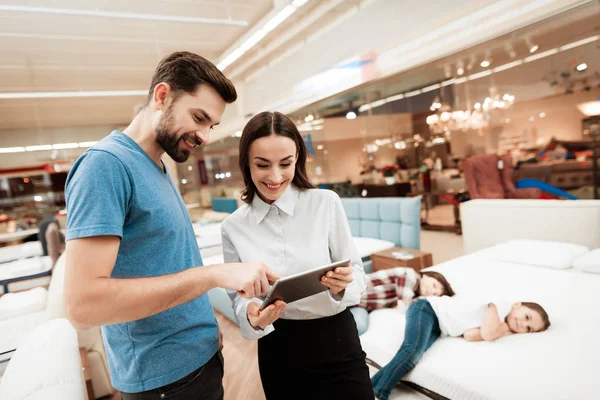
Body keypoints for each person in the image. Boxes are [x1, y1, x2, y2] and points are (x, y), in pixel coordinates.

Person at [64, 52, 281, 400]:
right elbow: (83, 305)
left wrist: (204, 331)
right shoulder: (105, 167)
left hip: (198, 362)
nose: (205, 136)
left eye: (212, 125)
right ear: (162, 96)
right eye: (199, 117)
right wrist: (214, 275)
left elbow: (167, 264)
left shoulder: (159, 169)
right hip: (162, 382)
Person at [221, 111, 374, 399]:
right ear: (246, 163)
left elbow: (357, 275)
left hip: (336, 338)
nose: (275, 177)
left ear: (298, 160)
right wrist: (254, 318)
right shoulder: (233, 227)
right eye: (262, 165)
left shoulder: (325, 204)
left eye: (286, 163)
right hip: (278, 349)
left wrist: (343, 285)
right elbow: (240, 302)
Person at [371, 297, 551, 400]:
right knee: (410, 351)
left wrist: (501, 330)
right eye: (526, 317)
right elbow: (488, 334)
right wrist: (503, 330)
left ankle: (370, 387)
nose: (523, 325)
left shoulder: (500, 323)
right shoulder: (497, 305)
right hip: (426, 308)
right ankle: (380, 394)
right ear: (517, 305)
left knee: (414, 356)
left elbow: (471, 335)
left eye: (529, 328)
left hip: (438, 324)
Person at [350, 268, 455, 335]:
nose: (431, 291)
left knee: (360, 326)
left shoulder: (413, 294)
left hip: (360, 305)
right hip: (350, 293)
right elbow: (403, 308)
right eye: (434, 285)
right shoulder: (409, 275)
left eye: (435, 294)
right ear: (427, 275)